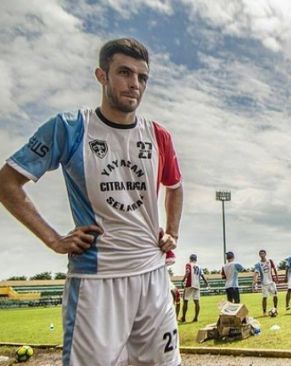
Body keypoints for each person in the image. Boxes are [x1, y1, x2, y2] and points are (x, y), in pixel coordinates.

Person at [0, 38, 183, 365]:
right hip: (96, 280)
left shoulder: (158, 135)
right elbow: (7, 182)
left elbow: (175, 187)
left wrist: (173, 232)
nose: (134, 84)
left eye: (142, 77)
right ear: (102, 75)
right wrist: (54, 239)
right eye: (124, 73)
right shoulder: (70, 128)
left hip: (153, 272)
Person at [181, 254, 208, 322]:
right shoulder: (199, 266)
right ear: (196, 259)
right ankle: (196, 318)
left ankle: (183, 318)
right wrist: (206, 283)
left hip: (190, 284)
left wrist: (183, 280)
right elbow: (202, 275)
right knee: (197, 302)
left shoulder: (188, 264)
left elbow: (188, 272)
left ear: (190, 259)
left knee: (185, 301)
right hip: (197, 285)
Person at [253, 249, 279, 315]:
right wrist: (255, 281)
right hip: (264, 283)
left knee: (275, 295)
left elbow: (274, 269)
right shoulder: (258, 264)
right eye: (260, 254)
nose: (262, 255)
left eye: (263, 253)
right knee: (264, 297)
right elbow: (256, 273)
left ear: (265, 254)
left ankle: (275, 308)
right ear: (259, 255)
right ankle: (264, 312)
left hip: (271, 282)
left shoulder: (270, 261)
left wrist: (276, 277)